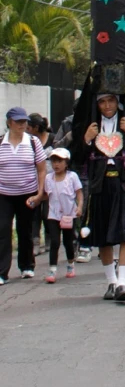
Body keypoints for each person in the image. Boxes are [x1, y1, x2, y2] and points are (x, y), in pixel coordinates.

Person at [73, 93, 125, 301]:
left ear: (118, 102)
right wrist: (86, 139)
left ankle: (123, 283)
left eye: (111, 101)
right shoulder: (91, 126)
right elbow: (77, 158)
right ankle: (111, 282)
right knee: (103, 235)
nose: (107, 106)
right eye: (103, 102)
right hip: (100, 185)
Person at [0, 107, 46, 284]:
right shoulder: (1, 143)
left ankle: (27, 265)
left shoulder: (33, 142)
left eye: (24, 122)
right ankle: (2, 272)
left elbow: (41, 170)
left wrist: (40, 192)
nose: (22, 125)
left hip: (28, 193)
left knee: (25, 229)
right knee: (3, 230)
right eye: (18, 122)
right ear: (9, 123)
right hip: (4, 194)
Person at [42, 147, 83, 283]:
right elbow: (45, 195)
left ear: (66, 163)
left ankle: (70, 264)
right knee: (54, 241)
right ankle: (52, 269)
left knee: (67, 242)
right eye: (53, 161)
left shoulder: (72, 177)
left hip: (68, 214)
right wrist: (35, 200)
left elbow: (79, 193)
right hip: (53, 214)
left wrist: (80, 207)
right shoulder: (48, 178)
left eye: (59, 161)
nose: (56, 164)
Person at [27, 113, 55, 256]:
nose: (26, 129)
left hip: (51, 181)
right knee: (34, 213)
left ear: (36, 127)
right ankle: (35, 242)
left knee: (47, 213)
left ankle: (50, 240)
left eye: (29, 127)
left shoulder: (52, 139)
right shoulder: (29, 141)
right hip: (34, 180)